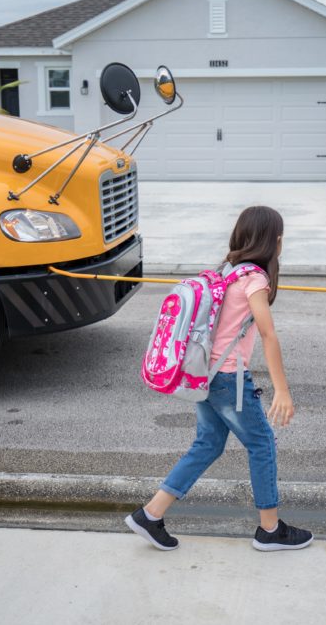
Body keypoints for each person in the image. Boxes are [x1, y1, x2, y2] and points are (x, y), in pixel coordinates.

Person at [125, 206, 313, 552]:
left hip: (204, 378)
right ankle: (270, 530)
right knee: (262, 444)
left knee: (208, 444)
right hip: (227, 381)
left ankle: (150, 515)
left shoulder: (226, 271)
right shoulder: (255, 279)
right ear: (276, 241)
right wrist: (282, 391)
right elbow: (269, 335)